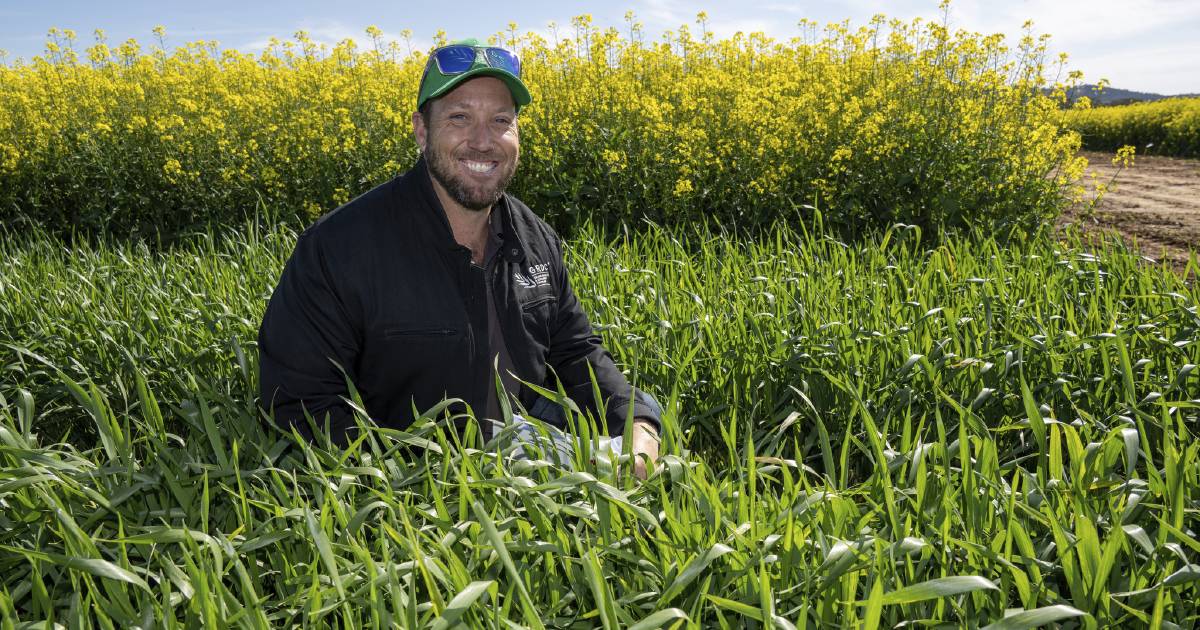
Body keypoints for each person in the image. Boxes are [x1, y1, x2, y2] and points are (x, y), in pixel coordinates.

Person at [257, 39, 661, 477]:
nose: (483, 141)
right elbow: (301, 399)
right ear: (421, 130)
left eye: (500, 121)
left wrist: (637, 421)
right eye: (459, 118)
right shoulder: (338, 248)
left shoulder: (536, 240)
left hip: (531, 464)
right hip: (412, 496)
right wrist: (407, 489)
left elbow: (575, 352)